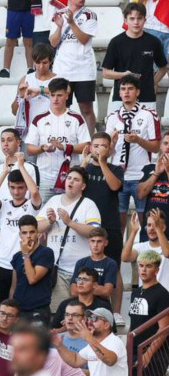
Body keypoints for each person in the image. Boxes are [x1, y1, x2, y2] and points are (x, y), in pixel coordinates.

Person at [37, 166, 101, 310]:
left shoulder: (89, 205)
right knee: (57, 313)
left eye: (76, 180)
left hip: (81, 272)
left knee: (80, 314)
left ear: (83, 186)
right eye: (69, 178)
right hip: (56, 269)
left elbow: (94, 231)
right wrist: (50, 221)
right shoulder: (53, 200)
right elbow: (36, 226)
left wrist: (70, 222)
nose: (70, 182)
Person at [105, 77, 162, 231]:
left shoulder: (149, 114)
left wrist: (138, 140)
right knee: (118, 223)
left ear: (138, 92)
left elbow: (156, 147)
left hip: (141, 176)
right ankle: (121, 254)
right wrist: (112, 144)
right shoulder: (112, 117)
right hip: (119, 175)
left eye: (130, 89)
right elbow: (106, 152)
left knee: (145, 222)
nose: (126, 92)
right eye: (123, 89)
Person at [0, 158, 43, 305]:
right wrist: (5, 171)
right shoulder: (4, 206)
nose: (16, 191)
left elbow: (35, 192)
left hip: (22, 263)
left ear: (26, 188)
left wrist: (22, 167)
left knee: (15, 305)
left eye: (20, 188)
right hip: (2, 262)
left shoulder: (31, 206)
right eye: (12, 187)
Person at [128, 249, 169, 376]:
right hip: (135, 351)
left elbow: (163, 330)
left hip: (155, 353)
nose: (143, 270)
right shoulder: (137, 291)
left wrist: (149, 353)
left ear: (157, 269)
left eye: (148, 266)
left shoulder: (162, 294)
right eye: (141, 266)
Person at [80, 132, 125, 314]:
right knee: (85, 268)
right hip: (87, 228)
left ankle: (115, 313)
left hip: (110, 226)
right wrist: (83, 164)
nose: (99, 149)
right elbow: (73, 187)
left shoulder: (116, 169)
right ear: (90, 147)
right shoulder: (83, 170)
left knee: (114, 268)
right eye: (96, 145)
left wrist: (103, 162)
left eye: (103, 146)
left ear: (110, 149)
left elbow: (114, 186)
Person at [24, 77, 90, 200]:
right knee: (43, 216)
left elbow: (86, 146)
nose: (55, 99)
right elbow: (29, 149)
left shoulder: (77, 119)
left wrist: (65, 147)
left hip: (70, 178)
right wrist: (42, 148)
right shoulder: (39, 119)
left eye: (59, 95)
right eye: (52, 95)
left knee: (68, 215)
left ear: (66, 95)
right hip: (44, 178)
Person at [49, 0, 98, 132]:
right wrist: (59, 27)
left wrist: (71, 22)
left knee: (86, 108)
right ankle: (63, 139)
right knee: (61, 108)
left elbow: (83, 39)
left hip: (84, 70)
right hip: (62, 70)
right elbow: (53, 42)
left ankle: (89, 144)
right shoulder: (58, 13)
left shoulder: (90, 15)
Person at [102, 3, 168, 110]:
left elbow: (163, 67)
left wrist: (153, 82)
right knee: (119, 127)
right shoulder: (116, 42)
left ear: (145, 20)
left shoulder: (153, 42)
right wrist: (124, 75)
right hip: (121, 98)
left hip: (147, 98)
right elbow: (105, 73)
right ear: (125, 20)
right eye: (132, 18)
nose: (136, 22)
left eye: (139, 18)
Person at [10, 215, 55, 321]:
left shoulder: (46, 252)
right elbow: (14, 287)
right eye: (25, 233)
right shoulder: (17, 256)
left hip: (38, 311)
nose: (28, 236)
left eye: (32, 232)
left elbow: (32, 279)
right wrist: (11, 309)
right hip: (19, 311)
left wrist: (25, 254)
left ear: (37, 233)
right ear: (20, 235)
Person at [11, 44, 56, 135]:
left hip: (52, 131)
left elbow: (63, 93)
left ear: (51, 61)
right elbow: (14, 111)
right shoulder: (25, 79)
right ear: (33, 61)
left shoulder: (58, 80)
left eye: (44, 62)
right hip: (30, 132)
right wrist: (20, 96)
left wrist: (40, 90)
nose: (41, 66)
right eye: (38, 62)